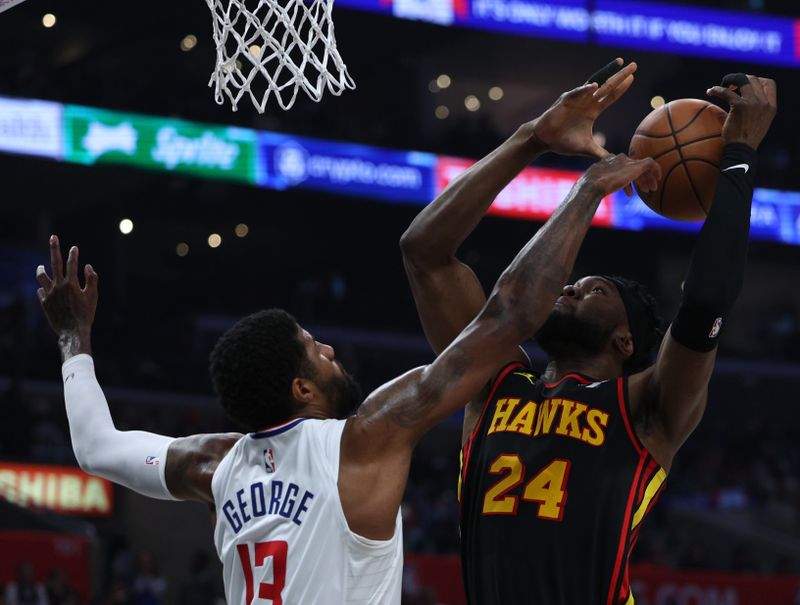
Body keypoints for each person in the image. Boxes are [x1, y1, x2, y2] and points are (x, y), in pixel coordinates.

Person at [35, 121, 658, 604]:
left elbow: (95, 447)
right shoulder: (365, 439)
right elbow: (509, 317)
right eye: (315, 347)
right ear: (301, 386)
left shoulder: (213, 464)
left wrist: (73, 342)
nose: (331, 349)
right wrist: (575, 182)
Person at [400, 62, 776, 604]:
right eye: (573, 285)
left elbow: (707, 301)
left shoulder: (646, 408)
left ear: (626, 341)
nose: (570, 290)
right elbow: (425, 255)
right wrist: (531, 139)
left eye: (593, 290)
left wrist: (739, 155)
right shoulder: (491, 382)